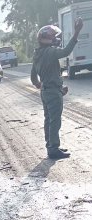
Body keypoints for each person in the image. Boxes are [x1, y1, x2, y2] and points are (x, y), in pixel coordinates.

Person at [30, 18, 83, 159]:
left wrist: (43, 85)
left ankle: (51, 145)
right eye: (53, 37)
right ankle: (53, 148)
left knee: (48, 119)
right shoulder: (50, 51)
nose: (56, 39)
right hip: (52, 92)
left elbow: (33, 77)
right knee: (55, 121)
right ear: (46, 39)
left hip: (45, 92)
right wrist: (76, 32)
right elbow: (66, 51)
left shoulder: (37, 54)